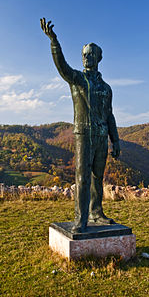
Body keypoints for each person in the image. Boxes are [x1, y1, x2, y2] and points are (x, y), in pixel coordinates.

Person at [40, 18, 120, 233]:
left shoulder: (106, 87)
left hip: (102, 136)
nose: (86, 57)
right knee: (82, 176)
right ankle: (81, 218)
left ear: (99, 58)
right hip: (84, 134)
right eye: (84, 54)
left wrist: (116, 140)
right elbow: (62, 66)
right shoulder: (77, 79)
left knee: (97, 177)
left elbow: (109, 115)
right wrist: (54, 42)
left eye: (91, 54)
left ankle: (96, 212)